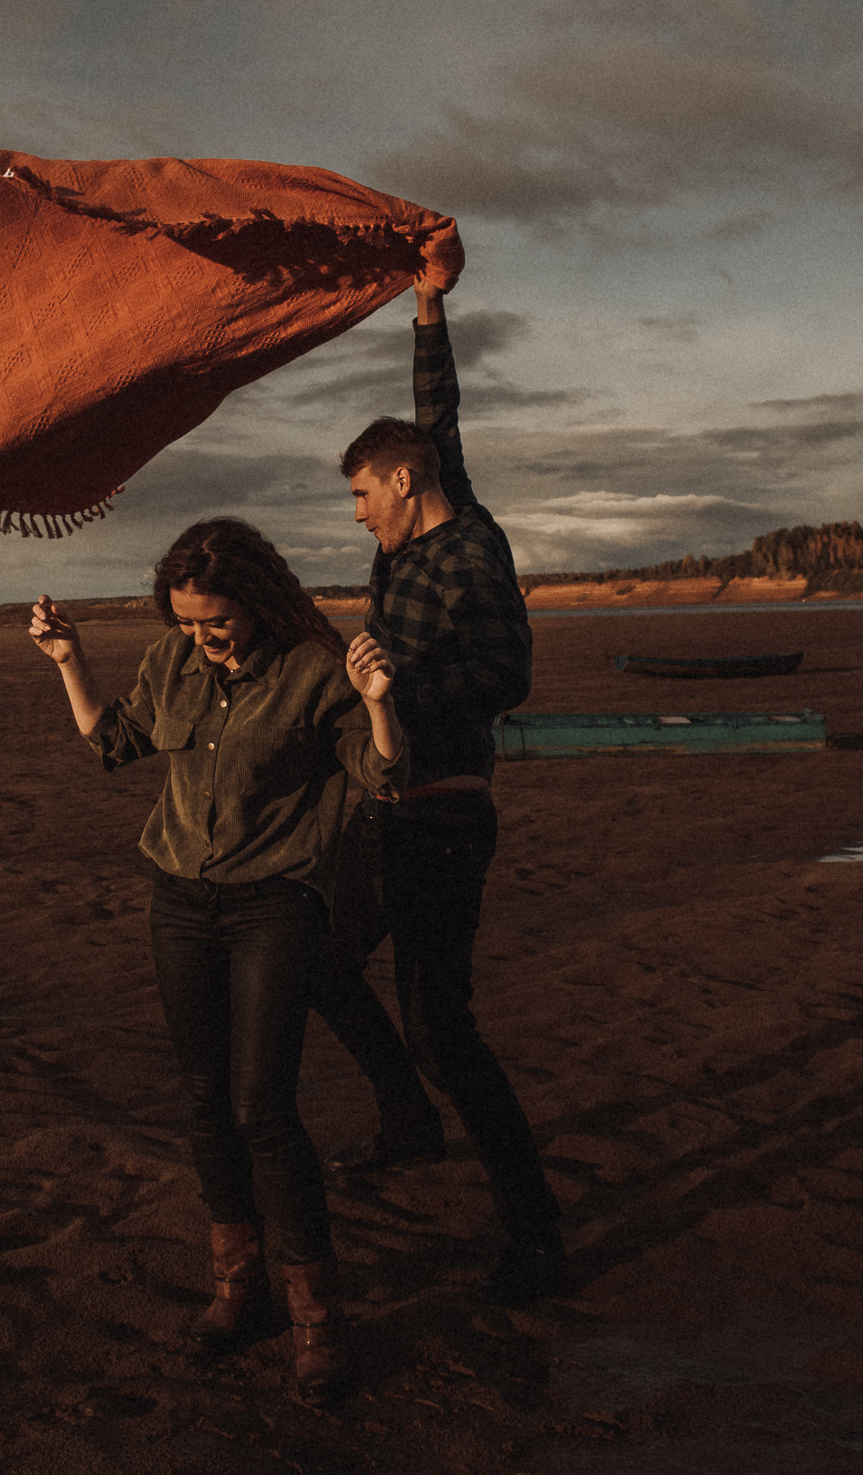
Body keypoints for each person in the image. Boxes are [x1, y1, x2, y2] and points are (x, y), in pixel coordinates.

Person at [29, 517, 406, 1404]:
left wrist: (380, 700)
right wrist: (68, 659)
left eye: (218, 620)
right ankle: (239, 1288)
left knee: (261, 1108)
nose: (204, 636)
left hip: (276, 903)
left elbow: (382, 774)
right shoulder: (171, 660)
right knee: (204, 1101)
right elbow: (113, 740)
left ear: (258, 602)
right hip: (180, 903)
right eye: (189, 621)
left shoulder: (312, 670)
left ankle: (318, 1318)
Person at [311, 278, 567, 1306]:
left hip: (445, 815)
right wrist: (426, 303)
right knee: (318, 960)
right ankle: (408, 1120)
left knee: (442, 1034)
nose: (357, 513)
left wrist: (393, 691)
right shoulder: (429, 508)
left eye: (362, 495)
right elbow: (438, 411)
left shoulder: (469, 554)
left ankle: (537, 1235)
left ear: (403, 482)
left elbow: (508, 675)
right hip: (388, 809)